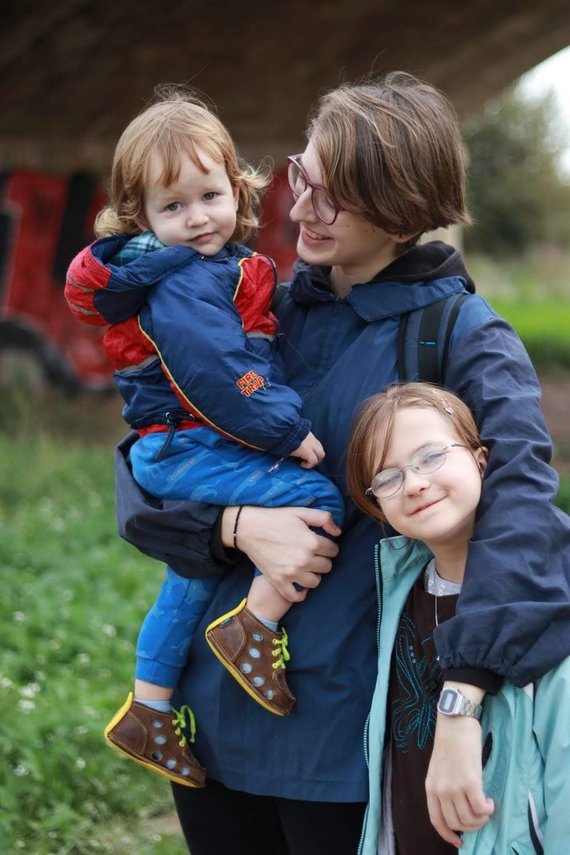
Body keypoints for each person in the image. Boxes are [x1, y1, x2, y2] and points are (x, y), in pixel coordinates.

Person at [111, 71, 570, 855]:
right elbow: (144, 470)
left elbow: (523, 515)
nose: (298, 208)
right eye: (301, 177)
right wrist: (233, 526)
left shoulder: (463, 339)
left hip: (347, 742)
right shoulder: (259, 311)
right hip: (206, 722)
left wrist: (464, 700)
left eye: (331, 195)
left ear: (400, 207)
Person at [65, 88, 344, 789]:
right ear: (143, 218)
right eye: (173, 207)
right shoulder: (187, 278)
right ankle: (252, 626)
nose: (196, 219)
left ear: (235, 186)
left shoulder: (204, 267)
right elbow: (217, 374)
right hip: (190, 442)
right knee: (315, 494)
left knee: (189, 579)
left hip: (170, 445)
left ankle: (149, 706)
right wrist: (288, 430)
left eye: (208, 195)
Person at [348, 381, 570, 853]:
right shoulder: (400, 591)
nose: (414, 483)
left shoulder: (547, 599)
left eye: (430, 456)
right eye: (387, 478)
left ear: (480, 459)